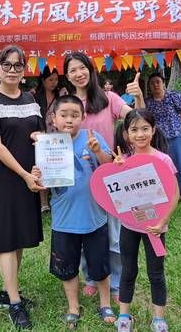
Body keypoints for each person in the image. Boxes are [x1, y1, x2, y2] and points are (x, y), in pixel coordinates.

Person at [64, 52, 144, 301]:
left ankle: (117, 280)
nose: (78, 73)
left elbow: (137, 120)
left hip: (111, 175)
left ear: (91, 69)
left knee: (114, 233)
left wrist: (139, 95)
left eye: (82, 68)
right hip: (80, 179)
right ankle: (91, 276)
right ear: (67, 76)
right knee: (86, 230)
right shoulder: (66, 103)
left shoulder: (109, 99)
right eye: (72, 70)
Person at [31, 95, 116, 329]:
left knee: (100, 266)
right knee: (67, 267)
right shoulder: (48, 144)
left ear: (84, 117)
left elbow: (110, 167)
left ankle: (105, 303)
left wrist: (98, 151)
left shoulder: (92, 137)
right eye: (64, 115)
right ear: (54, 118)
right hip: (64, 220)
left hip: (95, 217)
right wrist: (37, 174)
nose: (69, 120)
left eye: (75, 115)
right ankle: (72, 306)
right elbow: (41, 181)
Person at [0, 45, 45, 330]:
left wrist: (39, 136)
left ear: (24, 69)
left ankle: (9, 292)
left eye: (19, 66)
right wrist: (23, 175)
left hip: (29, 177)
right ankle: (15, 304)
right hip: (4, 179)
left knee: (19, 237)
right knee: (6, 238)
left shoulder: (31, 98)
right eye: (8, 65)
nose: (13, 70)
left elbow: (39, 131)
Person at [113, 109, 179, 332]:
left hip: (156, 227)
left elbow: (174, 194)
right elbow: (118, 196)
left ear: (153, 130)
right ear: (126, 134)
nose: (139, 134)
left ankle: (159, 319)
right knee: (128, 270)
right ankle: (124, 316)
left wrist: (162, 223)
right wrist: (118, 170)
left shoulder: (163, 160)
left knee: (156, 272)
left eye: (144, 129)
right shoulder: (125, 162)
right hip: (129, 226)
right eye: (134, 130)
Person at [145, 72, 181, 203]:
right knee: (162, 167)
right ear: (149, 86)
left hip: (175, 136)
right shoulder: (147, 102)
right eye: (152, 83)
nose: (155, 85)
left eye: (158, 82)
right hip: (157, 140)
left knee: (180, 165)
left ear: (163, 83)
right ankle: (169, 193)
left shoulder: (173, 96)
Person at [33, 66, 63, 213]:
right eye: (50, 80)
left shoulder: (61, 95)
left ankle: (57, 197)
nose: (54, 83)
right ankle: (43, 203)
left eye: (56, 79)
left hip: (59, 137)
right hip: (43, 136)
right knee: (42, 168)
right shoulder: (35, 96)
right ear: (43, 81)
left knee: (58, 167)